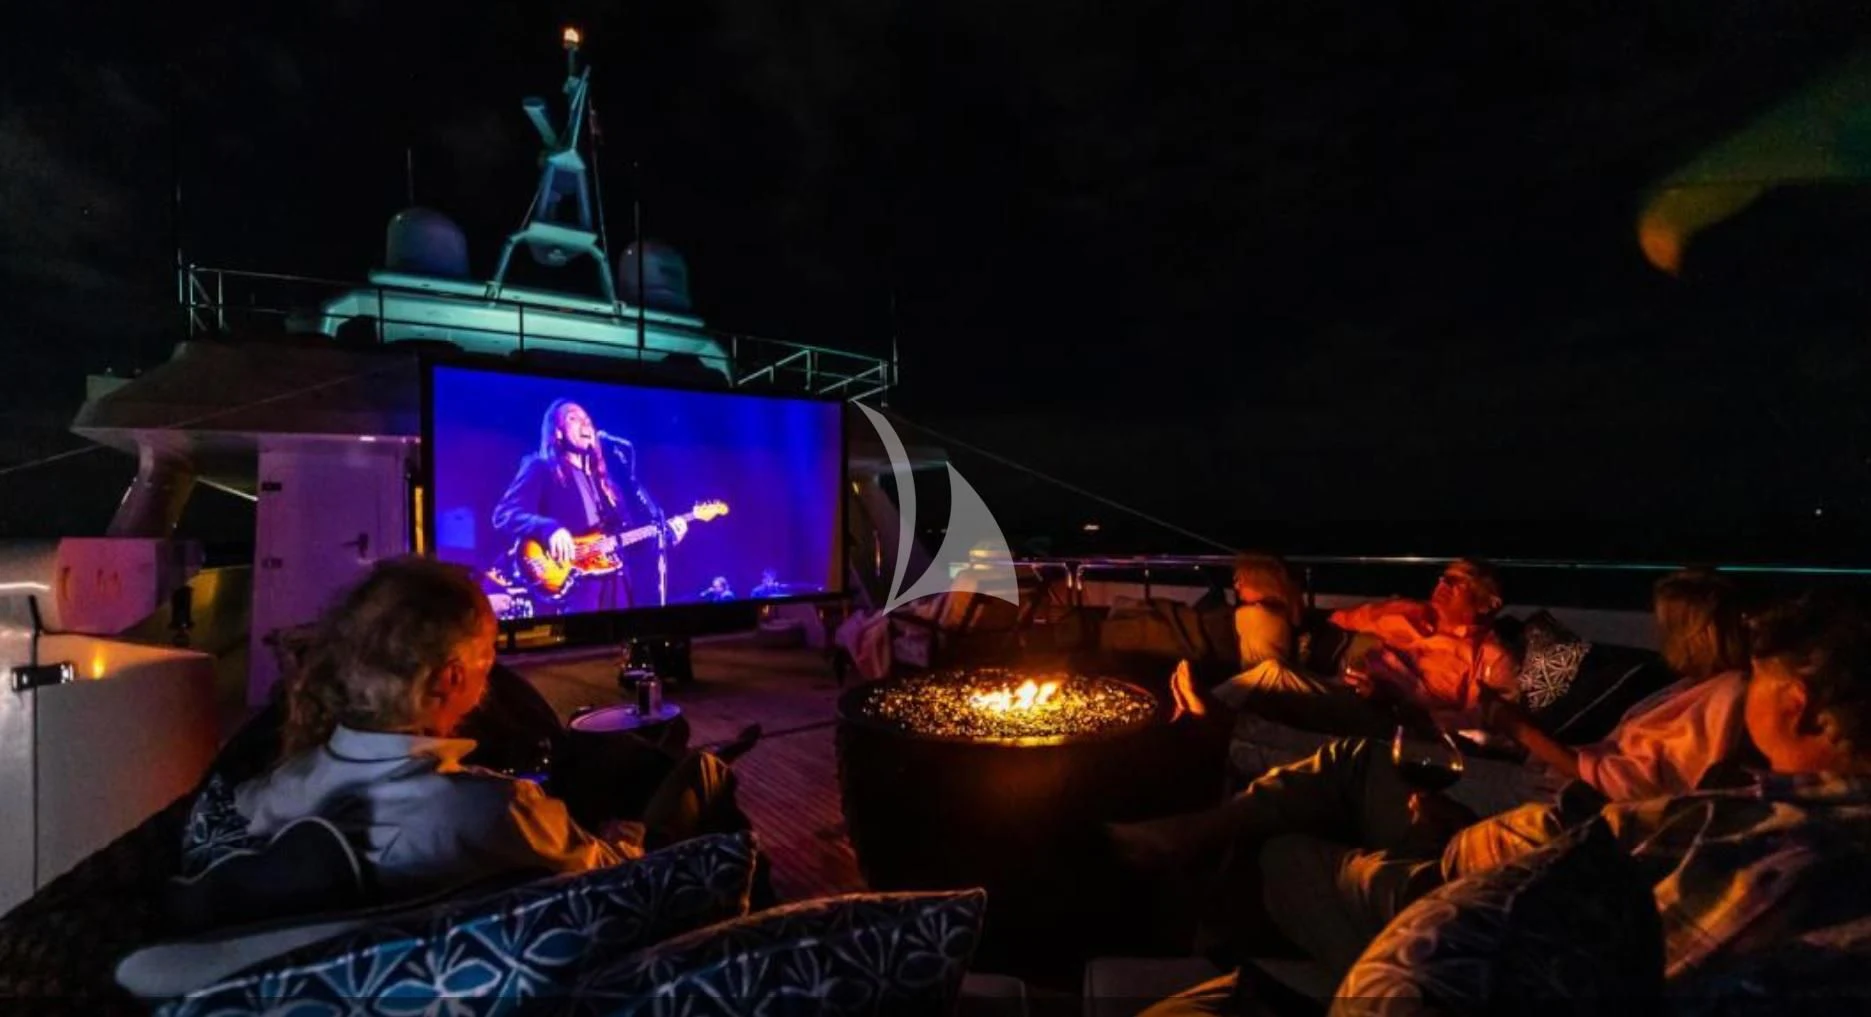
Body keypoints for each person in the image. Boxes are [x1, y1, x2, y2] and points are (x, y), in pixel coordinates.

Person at [1145, 590, 1871, 1014]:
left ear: (1800, 708)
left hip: (1521, 801)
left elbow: (1607, 811)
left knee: (1297, 843)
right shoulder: (1749, 803)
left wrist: (1508, 728)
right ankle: (1200, 828)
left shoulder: (1747, 834)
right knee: (1333, 758)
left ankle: (1196, 862)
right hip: (1515, 812)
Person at [232, 556, 732, 901]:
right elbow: (614, 873)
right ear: (451, 678)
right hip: (631, 889)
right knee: (704, 772)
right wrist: (627, 834)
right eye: (486, 654)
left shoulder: (270, 794)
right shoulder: (498, 809)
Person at [492, 400, 686, 616]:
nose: (585, 424)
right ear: (557, 433)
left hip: (616, 586)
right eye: (573, 418)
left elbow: (626, 541)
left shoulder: (608, 486)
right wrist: (549, 529)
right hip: (572, 586)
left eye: (588, 420)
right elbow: (505, 514)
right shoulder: (541, 468)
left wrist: (663, 535)